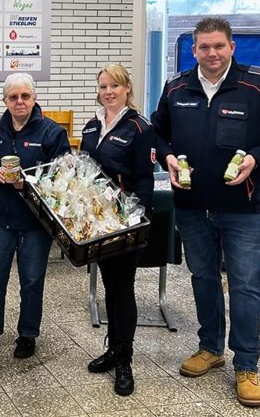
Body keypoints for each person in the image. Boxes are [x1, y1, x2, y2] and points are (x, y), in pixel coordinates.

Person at [151, 17, 260, 408]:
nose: (211, 53)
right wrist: (166, 155)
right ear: (194, 49)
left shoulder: (258, 83)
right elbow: (157, 130)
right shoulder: (177, 87)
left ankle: (247, 365)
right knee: (202, 278)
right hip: (192, 207)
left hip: (244, 208)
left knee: (246, 287)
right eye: (204, 47)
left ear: (231, 47)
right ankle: (210, 347)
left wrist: (256, 158)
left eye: (218, 46)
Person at [0, 72, 70, 359]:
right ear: (5, 100)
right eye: (13, 97)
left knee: (32, 280)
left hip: (36, 221)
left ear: (34, 98)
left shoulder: (51, 132)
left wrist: (31, 183)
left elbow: (62, 174)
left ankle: (27, 334)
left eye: (25, 96)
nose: (19, 101)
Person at [80, 64, 155, 396]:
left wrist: (132, 219)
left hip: (124, 224)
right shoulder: (92, 125)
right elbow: (84, 172)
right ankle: (112, 350)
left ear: (127, 88)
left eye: (115, 86)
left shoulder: (140, 128)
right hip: (97, 222)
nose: (108, 91)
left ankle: (125, 360)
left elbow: (144, 181)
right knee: (109, 287)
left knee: (123, 290)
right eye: (103, 86)